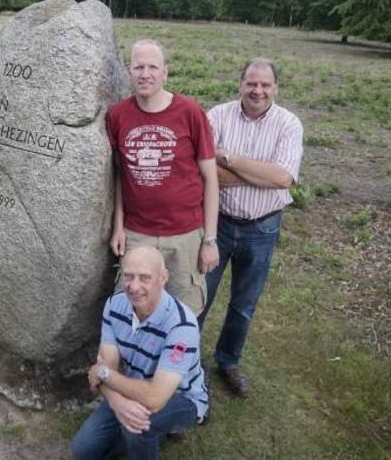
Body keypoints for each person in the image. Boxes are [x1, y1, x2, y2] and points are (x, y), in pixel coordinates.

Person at [200, 57, 303, 398]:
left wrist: (228, 158)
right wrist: (261, 174)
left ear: (276, 88)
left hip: (262, 230)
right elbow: (204, 172)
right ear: (240, 84)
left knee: (243, 304)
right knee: (199, 297)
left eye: (265, 85)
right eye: (251, 83)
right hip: (218, 224)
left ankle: (227, 361)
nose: (257, 90)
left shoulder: (289, 124)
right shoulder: (217, 116)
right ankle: (185, 361)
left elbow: (283, 178)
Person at [107, 39, 219, 315]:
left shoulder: (190, 113)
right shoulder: (117, 116)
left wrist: (210, 240)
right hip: (137, 233)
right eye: (138, 67)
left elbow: (210, 178)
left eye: (152, 67)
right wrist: (119, 226)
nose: (145, 74)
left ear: (165, 72)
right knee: (132, 307)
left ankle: (177, 359)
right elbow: (120, 175)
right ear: (129, 72)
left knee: (183, 312)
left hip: (185, 234)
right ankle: (133, 357)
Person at [70, 245, 208, 460]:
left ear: (163, 278)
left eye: (145, 278)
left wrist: (103, 374)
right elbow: (108, 364)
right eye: (128, 276)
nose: (134, 287)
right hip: (132, 388)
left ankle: (154, 431)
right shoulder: (114, 305)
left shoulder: (182, 326)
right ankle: (150, 432)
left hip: (180, 395)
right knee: (83, 450)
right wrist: (118, 403)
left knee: (140, 425)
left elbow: (154, 397)